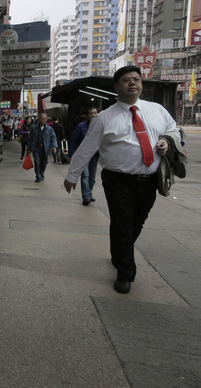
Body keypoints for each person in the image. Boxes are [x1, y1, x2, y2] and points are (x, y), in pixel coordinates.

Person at [63, 65, 178, 294]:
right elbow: (87, 148)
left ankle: (119, 253)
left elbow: (175, 130)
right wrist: (72, 175)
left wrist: (167, 141)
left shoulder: (157, 110)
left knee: (137, 221)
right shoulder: (104, 118)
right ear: (117, 87)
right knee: (123, 223)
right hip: (118, 180)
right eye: (126, 80)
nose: (132, 83)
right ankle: (125, 273)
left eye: (136, 79)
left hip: (149, 179)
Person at [68, 106, 100, 206]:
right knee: (85, 174)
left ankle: (89, 193)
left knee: (92, 176)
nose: (93, 115)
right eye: (91, 113)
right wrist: (70, 154)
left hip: (94, 155)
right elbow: (73, 140)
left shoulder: (100, 127)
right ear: (87, 115)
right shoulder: (81, 126)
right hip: (82, 155)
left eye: (95, 113)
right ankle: (86, 196)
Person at [27, 113, 57, 182]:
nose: (42, 120)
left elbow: (53, 138)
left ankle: (41, 173)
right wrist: (29, 149)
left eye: (44, 119)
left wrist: (54, 146)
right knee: (37, 162)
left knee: (44, 163)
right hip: (36, 148)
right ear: (38, 119)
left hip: (45, 148)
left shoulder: (49, 129)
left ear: (46, 120)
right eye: (41, 118)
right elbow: (30, 139)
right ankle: (38, 176)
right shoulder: (34, 128)